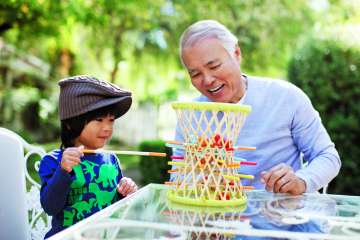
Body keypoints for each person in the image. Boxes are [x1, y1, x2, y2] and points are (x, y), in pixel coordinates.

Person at [173, 20, 341, 195]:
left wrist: (302, 180)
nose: (207, 80)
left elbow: (327, 156)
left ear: (236, 53)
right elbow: (177, 177)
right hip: (218, 219)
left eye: (214, 66)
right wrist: (196, 180)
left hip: (282, 216)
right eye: (195, 74)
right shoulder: (190, 116)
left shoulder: (286, 97)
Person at [39, 75, 138, 238]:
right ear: (72, 122)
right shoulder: (54, 161)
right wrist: (63, 171)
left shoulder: (111, 160)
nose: (107, 127)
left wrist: (124, 192)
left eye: (111, 120)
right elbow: (50, 207)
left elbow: (115, 208)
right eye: (99, 120)